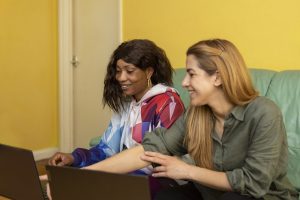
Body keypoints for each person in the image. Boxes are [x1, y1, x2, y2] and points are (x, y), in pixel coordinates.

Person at [83, 39, 299, 200]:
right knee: (167, 197)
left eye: (191, 74)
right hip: (211, 195)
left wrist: (187, 170)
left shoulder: (263, 113)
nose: (184, 82)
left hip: (261, 197)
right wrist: (85, 175)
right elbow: (149, 150)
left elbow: (253, 183)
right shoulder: (196, 115)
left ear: (218, 76)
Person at [48, 39, 184, 174]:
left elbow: (159, 159)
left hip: (156, 180)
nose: (121, 78)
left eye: (129, 71)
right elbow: (106, 149)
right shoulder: (127, 103)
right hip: (124, 175)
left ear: (149, 72)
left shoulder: (168, 102)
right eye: (118, 71)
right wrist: (74, 157)